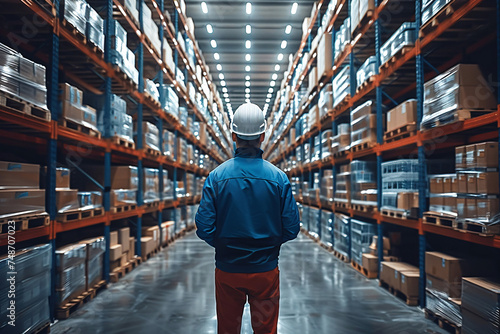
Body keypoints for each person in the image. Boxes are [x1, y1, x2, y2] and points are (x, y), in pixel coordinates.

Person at [195, 102, 300, 334]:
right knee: (265, 330)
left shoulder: (216, 177)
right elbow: (292, 227)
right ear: (262, 136)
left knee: (228, 329)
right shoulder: (279, 178)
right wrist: (268, 243)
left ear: (233, 135)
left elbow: (203, 226)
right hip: (265, 270)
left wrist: (225, 242)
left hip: (227, 270)